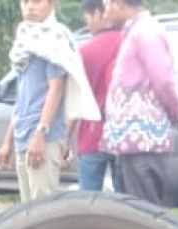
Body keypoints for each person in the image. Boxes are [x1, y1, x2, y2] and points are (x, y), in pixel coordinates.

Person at [0, 0, 100, 204]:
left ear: (53, 4)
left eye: (36, 1)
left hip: (44, 138)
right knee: (26, 211)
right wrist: (7, 141)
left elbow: (56, 88)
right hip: (22, 135)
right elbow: (22, 96)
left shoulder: (54, 38)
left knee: (41, 210)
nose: (29, 7)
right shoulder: (25, 39)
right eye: (25, 2)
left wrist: (40, 134)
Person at [101, 0, 178, 206]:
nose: (104, 13)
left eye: (106, 5)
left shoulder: (146, 33)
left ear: (118, 3)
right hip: (132, 144)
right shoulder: (135, 33)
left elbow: (163, 80)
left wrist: (176, 113)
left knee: (145, 214)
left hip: (143, 142)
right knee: (136, 212)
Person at [76, 0, 126, 192]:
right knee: (125, 203)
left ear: (98, 13)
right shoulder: (129, 42)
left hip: (91, 135)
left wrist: (66, 139)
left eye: (88, 17)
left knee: (88, 201)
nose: (87, 23)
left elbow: (78, 99)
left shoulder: (85, 51)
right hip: (123, 134)